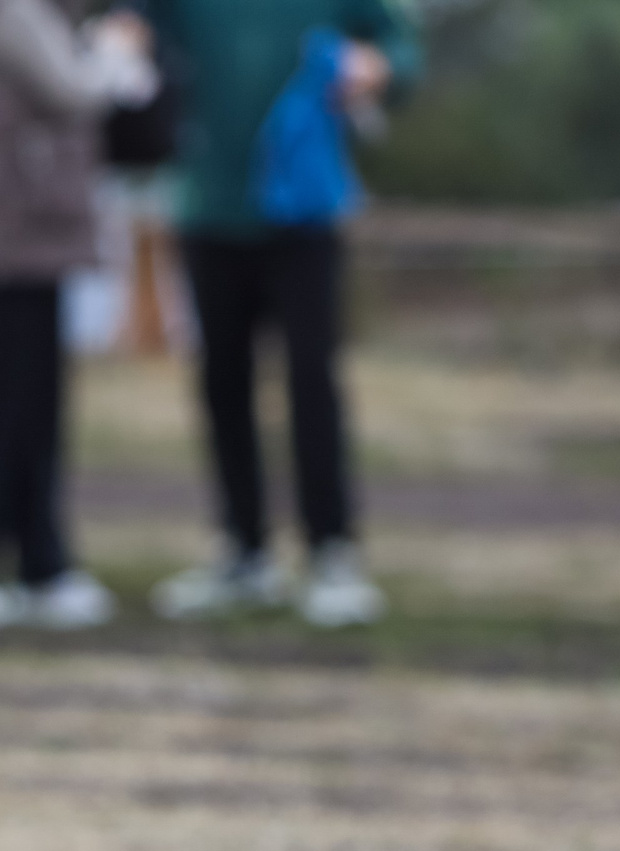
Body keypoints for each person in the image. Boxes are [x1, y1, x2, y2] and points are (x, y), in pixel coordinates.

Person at [138, 0, 420, 627]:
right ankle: (244, 552)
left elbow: (401, 50)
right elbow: (136, 27)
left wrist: (377, 69)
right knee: (222, 382)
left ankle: (331, 552)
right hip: (209, 208)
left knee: (311, 378)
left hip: (303, 213)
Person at [0, 0, 157, 634]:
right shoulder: (6, 10)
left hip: (35, 237)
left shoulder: (42, 16)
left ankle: (42, 565)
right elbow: (71, 90)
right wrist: (117, 53)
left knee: (36, 407)